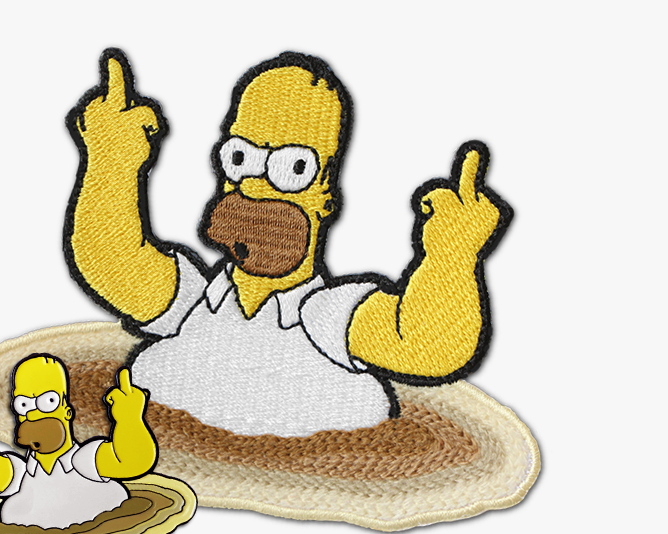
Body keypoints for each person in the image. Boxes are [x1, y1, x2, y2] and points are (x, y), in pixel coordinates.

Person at [63, 50, 512, 437]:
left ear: (326, 194)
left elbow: (421, 343)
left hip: (318, 472)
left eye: (292, 168)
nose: (256, 184)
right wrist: (112, 160)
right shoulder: (194, 301)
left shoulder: (328, 318)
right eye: (241, 158)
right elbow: (115, 264)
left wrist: (451, 254)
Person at [0, 354, 157, 529]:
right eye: (24, 405)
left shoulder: (85, 461)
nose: (34, 412)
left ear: (67, 411)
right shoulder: (21, 476)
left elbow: (130, 461)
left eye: (48, 401)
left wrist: (129, 418)